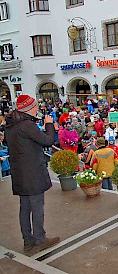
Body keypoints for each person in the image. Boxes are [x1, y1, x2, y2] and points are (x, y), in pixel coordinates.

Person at [5, 94, 60, 254]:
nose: (37, 108)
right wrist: (49, 125)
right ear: (28, 108)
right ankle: (40, 239)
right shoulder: (27, 125)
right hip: (32, 173)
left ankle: (28, 241)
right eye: (35, 106)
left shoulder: (11, 126)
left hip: (20, 173)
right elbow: (48, 141)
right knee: (37, 207)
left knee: (25, 208)